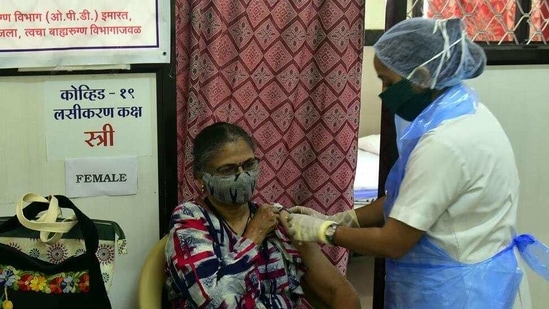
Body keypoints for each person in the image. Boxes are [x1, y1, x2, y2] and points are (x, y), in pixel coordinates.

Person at [286, 17, 549, 309]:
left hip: (457, 294)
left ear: (422, 77)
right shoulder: (466, 112)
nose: (383, 92)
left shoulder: (445, 142)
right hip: (473, 277)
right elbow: (404, 201)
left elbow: (394, 242)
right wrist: (343, 219)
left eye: (388, 81)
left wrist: (323, 232)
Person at [164, 122, 360, 309]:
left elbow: (340, 292)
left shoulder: (275, 219)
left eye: (249, 164)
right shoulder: (190, 220)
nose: (242, 175)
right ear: (200, 177)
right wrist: (254, 236)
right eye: (228, 169)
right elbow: (216, 303)